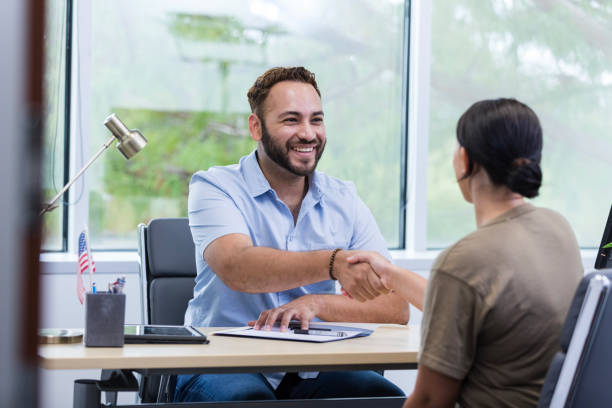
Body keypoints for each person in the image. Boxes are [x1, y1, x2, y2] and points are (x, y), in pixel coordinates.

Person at [174, 67, 408, 402]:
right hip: (223, 364)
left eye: (316, 120)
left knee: (382, 398)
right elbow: (237, 267)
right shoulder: (215, 187)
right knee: (248, 400)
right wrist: (333, 264)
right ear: (256, 127)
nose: (308, 133)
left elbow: (395, 305)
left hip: (314, 367)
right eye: (291, 120)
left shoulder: (344, 199)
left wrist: (316, 303)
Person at [348, 98, 583, 407]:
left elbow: (431, 401)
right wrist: (390, 275)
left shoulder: (465, 261)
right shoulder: (558, 229)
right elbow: (481, 303)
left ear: (464, 160)